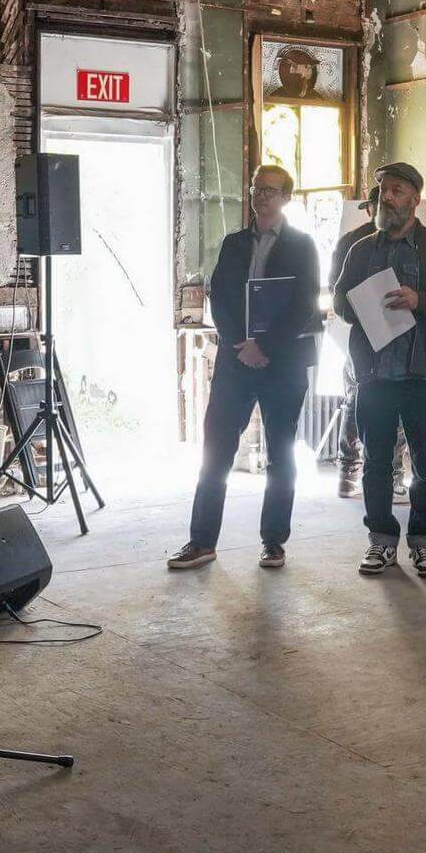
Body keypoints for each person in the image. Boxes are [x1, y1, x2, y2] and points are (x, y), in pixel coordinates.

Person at [169, 165, 321, 571]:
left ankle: (273, 542)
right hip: (236, 360)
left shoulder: (302, 245)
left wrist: (264, 346)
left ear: (286, 197)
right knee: (216, 450)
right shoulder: (234, 243)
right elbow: (219, 297)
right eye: (256, 189)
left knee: (281, 455)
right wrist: (241, 345)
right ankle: (202, 542)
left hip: (282, 362)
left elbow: (304, 304)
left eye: (269, 190)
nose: (260, 197)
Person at [333, 162, 426, 579]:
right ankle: (381, 540)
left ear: (415, 200)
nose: (388, 197)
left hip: (422, 375)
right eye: (384, 191)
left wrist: (421, 300)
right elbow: (339, 301)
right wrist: (363, 305)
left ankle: (424, 543)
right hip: (374, 375)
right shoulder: (360, 250)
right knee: (376, 462)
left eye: (397, 190)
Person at [329, 188, 405, 501]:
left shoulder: (396, 239)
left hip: (392, 331)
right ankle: (371, 474)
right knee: (362, 399)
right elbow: (337, 291)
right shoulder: (354, 243)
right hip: (366, 333)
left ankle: (358, 474)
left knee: (364, 400)